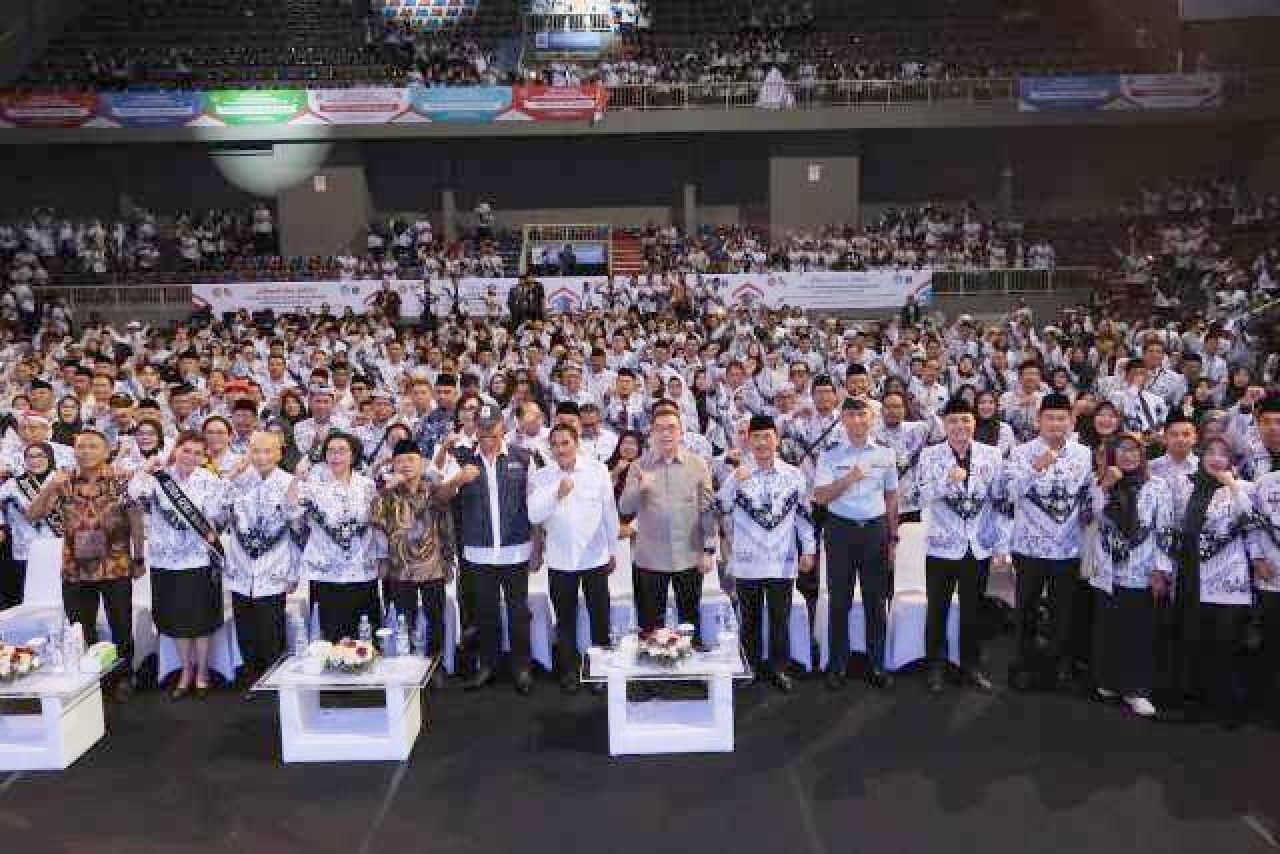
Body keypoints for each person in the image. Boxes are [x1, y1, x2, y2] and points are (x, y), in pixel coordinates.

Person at [27, 430, 145, 702]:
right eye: (81, 447)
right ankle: (91, 681)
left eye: (93, 446)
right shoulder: (63, 481)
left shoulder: (121, 480)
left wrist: (138, 558)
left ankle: (124, 677)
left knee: (121, 626)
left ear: (106, 451)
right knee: (80, 630)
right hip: (75, 569)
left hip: (115, 566)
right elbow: (33, 515)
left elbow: (136, 520)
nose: (86, 452)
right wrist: (49, 487)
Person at [1001, 393, 1095, 690]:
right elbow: (1009, 493)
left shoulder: (1083, 453)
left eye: (1062, 418)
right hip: (1029, 546)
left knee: (1062, 611)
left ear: (1071, 422)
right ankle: (1023, 664)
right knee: (1026, 609)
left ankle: (1056, 667)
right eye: (1050, 418)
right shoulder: (1021, 452)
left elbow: (1086, 493)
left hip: (1067, 546)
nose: (1056, 424)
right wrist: (1035, 467)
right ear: (1038, 421)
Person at [718, 415, 816, 693]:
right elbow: (720, 507)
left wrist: (808, 549)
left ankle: (779, 668)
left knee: (779, 619)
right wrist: (733, 483)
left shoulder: (793, 475)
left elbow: (803, 517)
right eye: (756, 437)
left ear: (777, 439)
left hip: (781, 561)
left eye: (767, 436)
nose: (761, 442)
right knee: (748, 620)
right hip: (747, 562)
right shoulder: (738, 475)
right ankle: (748, 667)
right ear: (748, 441)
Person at [445, 404, 537, 694]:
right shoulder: (461, 458)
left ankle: (522, 668)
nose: (487, 438)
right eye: (482, 431)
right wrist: (458, 480)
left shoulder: (523, 458)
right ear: (475, 428)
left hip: (516, 549)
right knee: (485, 613)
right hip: (478, 550)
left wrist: (538, 545)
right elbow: (440, 495)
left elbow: (535, 505)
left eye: (493, 432)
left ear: (503, 428)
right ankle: (487, 666)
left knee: (518, 613)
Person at [130, 431, 227, 700]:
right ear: (175, 450)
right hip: (165, 560)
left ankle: (203, 671)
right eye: (186, 450)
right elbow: (134, 495)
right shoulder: (158, 478)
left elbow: (216, 516)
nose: (191, 457)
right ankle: (186, 670)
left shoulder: (210, 480)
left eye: (198, 453)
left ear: (204, 457)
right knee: (175, 619)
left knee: (200, 620)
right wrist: (145, 468)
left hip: (199, 560)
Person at [916, 397, 1003, 693]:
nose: (959, 426)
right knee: (937, 609)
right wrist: (947, 480)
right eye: (952, 421)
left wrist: (1000, 544)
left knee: (973, 611)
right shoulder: (929, 455)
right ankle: (935, 666)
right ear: (944, 424)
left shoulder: (992, 455)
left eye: (965, 419)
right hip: (941, 545)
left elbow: (998, 499)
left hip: (977, 545)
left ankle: (971, 666)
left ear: (974, 422)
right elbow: (921, 496)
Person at [1169, 436, 1256, 727]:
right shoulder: (1187, 485)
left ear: (1231, 460)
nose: (1216, 458)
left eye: (1223, 454)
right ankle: (1191, 702)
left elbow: (1251, 518)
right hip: (1192, 572)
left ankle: (1226, 707)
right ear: (1201, 456)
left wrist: (1231, 484)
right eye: (1210, 452)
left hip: (1228, 577)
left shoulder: (1243, 487)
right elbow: (1177, 524)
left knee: (1225, 642)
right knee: (1193, 639)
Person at [813, 397, 899, 690]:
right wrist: (849, 478)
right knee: (840, 600)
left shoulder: (886, 454)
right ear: (843, 420)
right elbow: (821, 497)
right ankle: (837, 664)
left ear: (871, 418)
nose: (857, 420)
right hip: (841, 530)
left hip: (875, 531)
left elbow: (891, 497)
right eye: (850, 415)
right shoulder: (830, 455)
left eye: (862, 414)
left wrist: (893, 536)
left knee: (876, 600)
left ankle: (877, 664)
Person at [1087, 433, 1174, 718]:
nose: (1127, 455)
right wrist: (1104, 486)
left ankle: (1136, 689)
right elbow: (1089, 517)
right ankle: (1108, 681)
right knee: (1108, 627)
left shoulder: (1157, 485)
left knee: (1138, 631)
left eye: (1133, 450)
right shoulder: (1100, 483)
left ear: (1142, 454)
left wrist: (1161, 569)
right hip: (1107, 568)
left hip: (1142, 569)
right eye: (1121, 450)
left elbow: (1165, 529)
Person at [528, 423, 619, 695]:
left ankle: (601, 670)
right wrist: (556, 494)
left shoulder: (597, 470)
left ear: (576, 443)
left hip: (595, 558)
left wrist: (612, 550)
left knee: (600, 618)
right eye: (555, 445)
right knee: (564, 619)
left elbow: (609, 513)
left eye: (565, 443)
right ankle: (569, 670)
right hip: (560, 560)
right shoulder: (543, 477)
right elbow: (534, 515)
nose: (560, 449)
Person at [619, 406, 717, 646]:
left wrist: (709, 550)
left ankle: (691, 663)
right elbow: (624, 508)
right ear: (651, 433)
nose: (665, 434)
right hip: (650, 558)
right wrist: (639, 487)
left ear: (681, 432)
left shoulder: (697, 465)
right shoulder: (639, 466)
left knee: (689, 622)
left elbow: (707, 510)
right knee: (650, 627)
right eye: (659, 429)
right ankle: (652, 667)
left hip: (689, 555)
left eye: (671, 428)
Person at [219, 430, 298, 699]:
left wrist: (293, 572)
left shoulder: (289, 483)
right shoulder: (239, 482)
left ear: (279, 454)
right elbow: (218, 509)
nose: (261, 457)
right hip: (241, 566)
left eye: (267, 451)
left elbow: (297, 530)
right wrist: (230, 475)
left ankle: (274, 680)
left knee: (271, 629)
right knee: (245, 628)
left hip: (274, 566)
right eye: (255, 451)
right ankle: (252, 677)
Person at [371, 439, 455, 689]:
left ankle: (436, 665)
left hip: (432, 566)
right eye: (400, 461)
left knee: (435, 618)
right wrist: (387, 490)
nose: (405, 465)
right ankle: (406, 666)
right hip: (399, 567)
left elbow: (446, 526)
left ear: (422, 463)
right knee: (403, 620)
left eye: (411, 460)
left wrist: (448, 559)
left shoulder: (434, 490)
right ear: (393, 465)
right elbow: (373, 519)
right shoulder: (388, 492)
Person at [287, 432, 382, 641]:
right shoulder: (314, 486)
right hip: (325, 572)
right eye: (330, 451)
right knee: (328, 638)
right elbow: (292, 511)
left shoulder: (367, 485)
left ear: (353, 455)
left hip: (361, 569)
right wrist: (297, 477)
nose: (336, 456)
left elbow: (376, 523)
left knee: (364, 636)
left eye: (342, 451)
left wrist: (382, 557)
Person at [0, 442, 63, 608]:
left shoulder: (61, 479)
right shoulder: (14, 484)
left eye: (40, 455)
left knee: (58, 596)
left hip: (58, 546)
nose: (34, 460)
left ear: (50, 457)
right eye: (30, 456)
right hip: (26, 547)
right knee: (30, 598)